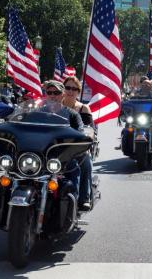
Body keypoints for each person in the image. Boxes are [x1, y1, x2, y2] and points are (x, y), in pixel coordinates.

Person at [62, 77, 94, 211]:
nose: (70, 91)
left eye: (74, 89)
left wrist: (84, 142)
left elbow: (90, 131)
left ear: (78, 92)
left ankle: (83, 198)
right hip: (55, 146)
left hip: (76, 148)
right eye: (68, 88)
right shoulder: (56, 105)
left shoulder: (83, 108)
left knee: (85, 161)